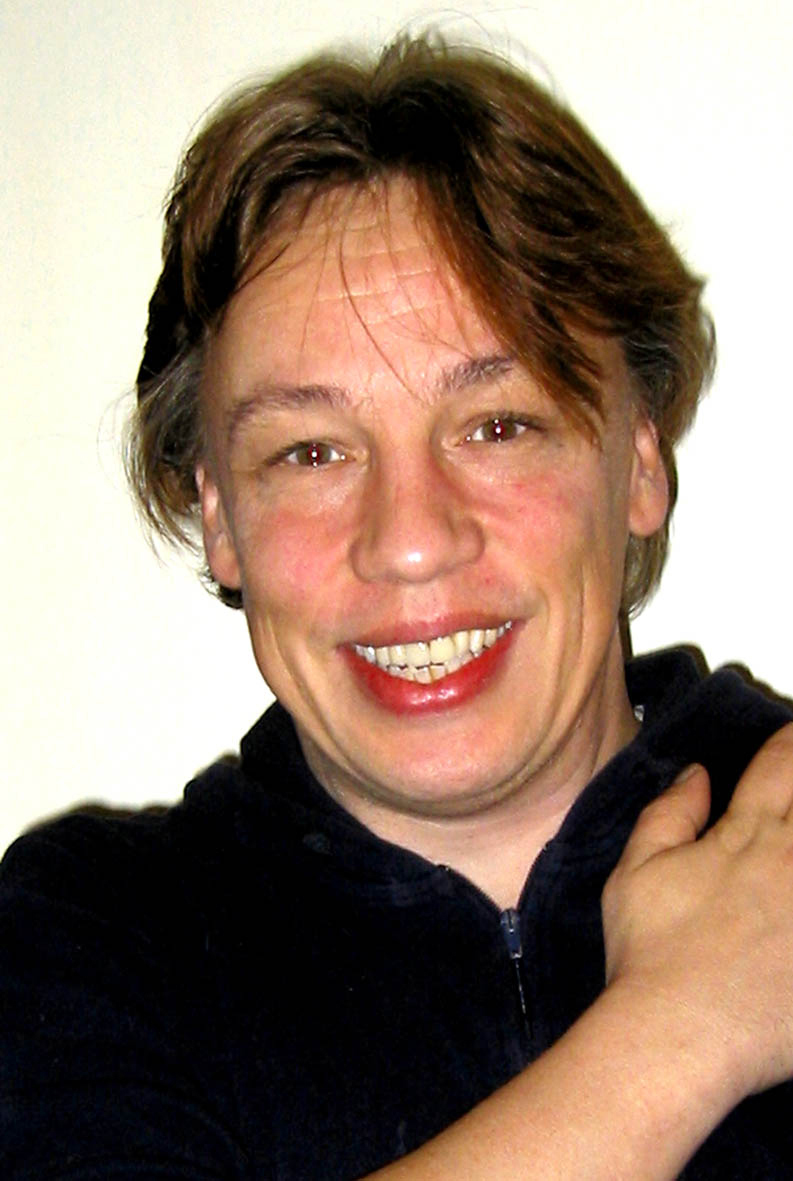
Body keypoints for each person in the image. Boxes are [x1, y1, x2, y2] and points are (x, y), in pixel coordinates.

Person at [2, 32, 793, 1179]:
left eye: (497, 425)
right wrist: (685, 1027)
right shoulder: (92, 938)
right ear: (220, 515)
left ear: (636, 460)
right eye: (311, 450)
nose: (411, 540)